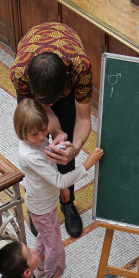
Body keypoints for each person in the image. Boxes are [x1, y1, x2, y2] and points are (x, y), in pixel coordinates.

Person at [13, 98, 103, 278]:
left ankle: (41, 265)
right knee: (56, 249)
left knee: (46, 236)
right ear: (21, 133)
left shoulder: (36, 141)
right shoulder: (29, 155)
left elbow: (51, 173)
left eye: (44, 130)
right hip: (42, 206)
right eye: (35, 133)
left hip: (46, 201)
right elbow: (59, 178)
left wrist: (60, 189)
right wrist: (87, 164)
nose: (42, 136)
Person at [10, 22, 93, 239]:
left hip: (66, 64)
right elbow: (42, 111)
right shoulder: (19, 74)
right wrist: (47, 114)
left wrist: (74, 148)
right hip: (32, 75)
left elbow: (84, 118)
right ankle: (36, 206)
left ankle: (68, 203)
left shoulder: (80, 67)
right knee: (33, 143)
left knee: (64, 147)